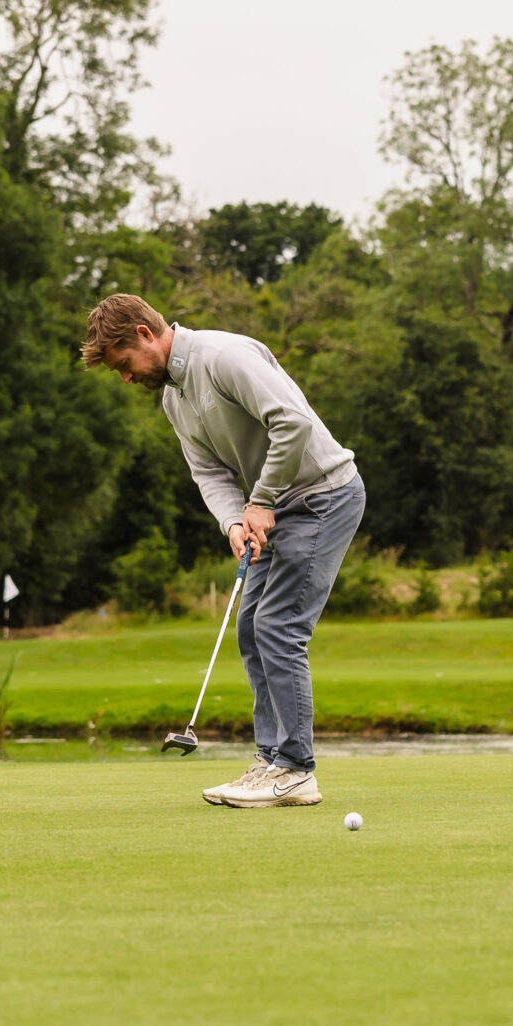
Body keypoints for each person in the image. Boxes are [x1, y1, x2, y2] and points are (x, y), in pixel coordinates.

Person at [81, 293, 365, 807]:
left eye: (123, 364)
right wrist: (234, 521)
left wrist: (259, 501)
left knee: (279, 627)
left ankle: (297, 770)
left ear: (146, 335)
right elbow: (208, 471)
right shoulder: (173, 398)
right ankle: (271, 761)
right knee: (250, 629)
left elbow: (292, 423)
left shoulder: (223, 356)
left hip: (323, 495)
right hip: (272, 507)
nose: (125, 378)